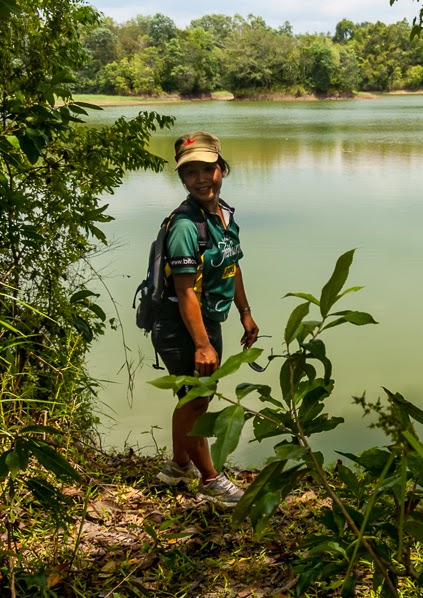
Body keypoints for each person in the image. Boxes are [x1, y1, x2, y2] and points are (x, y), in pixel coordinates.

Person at [151, 131, 259, 507]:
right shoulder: (185, 226)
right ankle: (210, 480)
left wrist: (245, 313)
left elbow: (232, 265)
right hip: (181, 325)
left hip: (207, 321)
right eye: (190, 172)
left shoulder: (223, 215)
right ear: (182, 179)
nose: (200, 178)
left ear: (222, 170)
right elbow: (184, 292)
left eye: (207, 169)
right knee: (197, 400)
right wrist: (201, 343)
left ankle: (178, 466)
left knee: (191, 398)